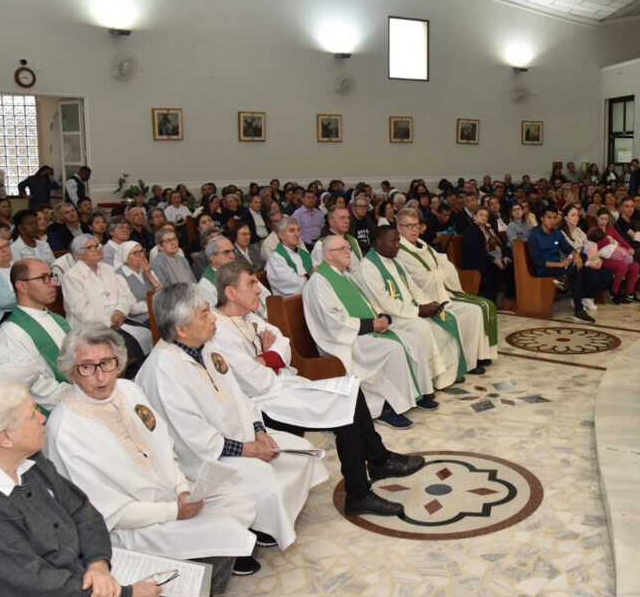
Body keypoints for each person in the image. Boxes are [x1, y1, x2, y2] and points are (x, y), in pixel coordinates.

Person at [45, 325, 260, 597]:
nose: (100, 376)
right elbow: (106, 512)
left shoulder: (129, 390)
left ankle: (200, 581)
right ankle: (193, 593)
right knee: (224, 528)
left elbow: (164, 446)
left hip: (171, 498)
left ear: (118, 362)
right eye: (87, 367)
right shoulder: (66, 429)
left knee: (241, 503)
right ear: (70, 371)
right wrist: (173, 512)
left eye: (107, 363)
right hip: (132, 527)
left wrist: (183, 488)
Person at [206, 262, 423, 513]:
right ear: (230, 293)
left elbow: (283, 343)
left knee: (352, 390)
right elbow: (256, 381)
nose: (258, 290)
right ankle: (359, 492)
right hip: (264, 403)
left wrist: (266, 358)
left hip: (283, 386)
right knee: (347, 408)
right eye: (251, 283)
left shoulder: (249, 316)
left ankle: (378, 461)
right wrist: (269, 359)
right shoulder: (218, 331)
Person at [137, 283, 327, 550]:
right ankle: (262, 527)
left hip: (244, 438)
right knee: (268, 483)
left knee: (302, 452)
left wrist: (260, 431)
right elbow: (192, 438)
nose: (214, 317)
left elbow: (240, 396)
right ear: (181, 328)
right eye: (204, 313)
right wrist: (247, 449)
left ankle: (267, 521)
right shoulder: (163, 371)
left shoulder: (206, 347)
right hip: (206, 460)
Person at [0, 381, 172, 597]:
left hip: (84, 580)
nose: (42, 419)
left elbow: (83, 511)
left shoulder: (32, 463)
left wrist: (98, 564)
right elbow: (31, 587)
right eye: (32, 415)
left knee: (165, 589)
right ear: (4, 438)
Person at [305, 235, 436, 430]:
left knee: (412, 339)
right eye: (341, 249)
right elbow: (333, 323)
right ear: (328, 256)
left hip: (360, 331)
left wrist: (382, 317)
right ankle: (387, 407)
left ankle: (420, 393)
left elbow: (367, 303)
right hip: (342, 340)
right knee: (392, 349)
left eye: (347, 247)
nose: (347, 251)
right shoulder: (320, 282)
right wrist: (370, 326)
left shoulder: (344, 275)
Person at [356, 226, 464, 390]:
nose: (398, 245)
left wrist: (428, 304)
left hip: (409, 310)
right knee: (422, 327)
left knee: (442, 321)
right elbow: (386, 303)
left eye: (398, 241)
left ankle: (444, 375)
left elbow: (413, 289)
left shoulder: (395, 261)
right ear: (379, 241)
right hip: (391, 317)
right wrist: (418, 311)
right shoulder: (368, 267)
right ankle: (426, 382)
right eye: (393, 241)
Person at [394, 209, 497, 373]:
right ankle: (466, 363)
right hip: (429, 299)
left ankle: (477, 356)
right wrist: (440, 272)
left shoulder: (422, 244)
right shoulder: (400, 251)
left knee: (477, 310)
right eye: (408, 226)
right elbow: (424, 279)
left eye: (416, 225)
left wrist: (439, 272)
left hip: (444, 292)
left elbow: (444, 262)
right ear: (398, 227)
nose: (414, 230)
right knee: (466, 314)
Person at [0, 259, 73, 410]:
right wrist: (77, 395)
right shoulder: (11, 332)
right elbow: (30, 385)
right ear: (22, 286)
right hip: (51, 412)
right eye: (44, 278)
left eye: (52, 276)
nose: (53, 283)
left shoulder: (57, 319)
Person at [62, 234, 152, 363]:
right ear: (79, 253)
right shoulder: (72, 276)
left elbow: (124, 295)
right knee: (124, 345)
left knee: (147, 333)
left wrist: (120, 312)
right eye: (91, 247)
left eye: (98, 245)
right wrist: (109, 321)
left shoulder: (108, 269)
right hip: (92, 326)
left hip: (119, 319)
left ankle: (136, 374)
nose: (98, 249)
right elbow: (80, 311)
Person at [527, 206, 610, 324]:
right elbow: (537, 261)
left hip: (562, 269)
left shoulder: (556, 233)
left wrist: (575, 254)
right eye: (549, 218)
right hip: (545, 269)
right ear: (542, 219)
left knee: (582, 257)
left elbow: (567, 247)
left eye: (554, 218)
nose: (552, 220)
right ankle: (578, 310)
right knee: (576, 271)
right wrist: (559, 264)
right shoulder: (534, 236)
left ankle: (566, 281)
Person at [559, 204, 612, 312]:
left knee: (607, 274)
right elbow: (568, 254)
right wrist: (588, 264)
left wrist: (597, 260)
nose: (576, 218)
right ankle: (577, 299)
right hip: (572, 263)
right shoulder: (561, 233)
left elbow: (589, 246)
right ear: (565, 217)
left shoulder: (579, 230)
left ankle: (587, 297)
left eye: (577, 215)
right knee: (593, 277)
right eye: (572, 215)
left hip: (586, 260)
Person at [462, 206, 513, 304]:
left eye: (486, 216)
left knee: (512, 267)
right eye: (481, 215)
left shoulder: (490, 229)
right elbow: (476, 252)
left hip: (496, 258)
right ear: (474, 217)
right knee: (493, 269)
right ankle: (491, 302)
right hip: (479, 261)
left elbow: (502, 245)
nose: (484, 217)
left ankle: (509, 299)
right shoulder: (472, 230)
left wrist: (505, 257)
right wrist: (494, 260)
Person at [264, 216, 313, 296]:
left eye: (298, 230)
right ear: (281, 235)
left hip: (309, 296)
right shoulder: (276, 258)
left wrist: (305, 277)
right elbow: (293, 284)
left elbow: (318, 272)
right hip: (290, 303)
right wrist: (309, 276)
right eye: (292, 230)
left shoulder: (305, 254)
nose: (297, 234)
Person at [115, 241, 161, 324]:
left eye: (141, 251)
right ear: (125, 258)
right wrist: (156, 302)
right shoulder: (120, 276)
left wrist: (149, 275)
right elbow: (132, 308)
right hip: (140, 319)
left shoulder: (146, 269)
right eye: (135, 253)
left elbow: (163, 295)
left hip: (158, 312)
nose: (141, 255)